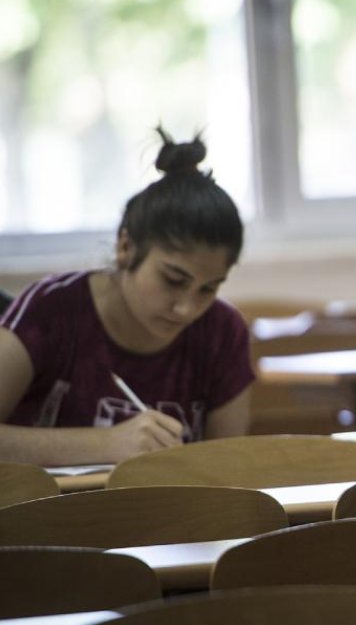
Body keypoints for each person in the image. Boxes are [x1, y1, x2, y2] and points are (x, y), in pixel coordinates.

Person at [0, 129, 254, 467]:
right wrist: (106, 443)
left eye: (208, 288)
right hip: (47, 517)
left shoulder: (222, 331)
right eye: (173, 280)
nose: (186, 308)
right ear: (125, 248)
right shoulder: (50, 310)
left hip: (174, 518)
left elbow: (230, 470)